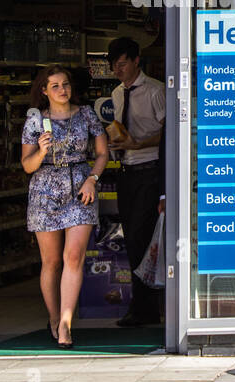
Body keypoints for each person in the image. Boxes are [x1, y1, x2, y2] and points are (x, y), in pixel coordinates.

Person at [22, 65, 109, 349]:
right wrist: (42, 150)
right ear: (44, 90)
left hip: (80, 186)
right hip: (45, 190)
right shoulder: (35, 121)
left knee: (74, 257)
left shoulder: (86, 114)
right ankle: (53, 316)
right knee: (51, 261)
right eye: (55, 85)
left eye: (66, 84)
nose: (62, 90)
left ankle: (66, 324)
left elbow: (101, 153)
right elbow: (27, 165)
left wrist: (92, 179)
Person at [106, 37, 167, 327]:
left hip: (149, 169)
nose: (118, 70)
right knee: (131, 236)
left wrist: (139, 143)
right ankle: (142, 305)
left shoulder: (155, 91)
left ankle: (145, 307)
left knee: (142, 237)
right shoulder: (117, 94)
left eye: (122, 64)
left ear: (135, 61)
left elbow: (168, 133)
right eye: (114, 66)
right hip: (126, 170)